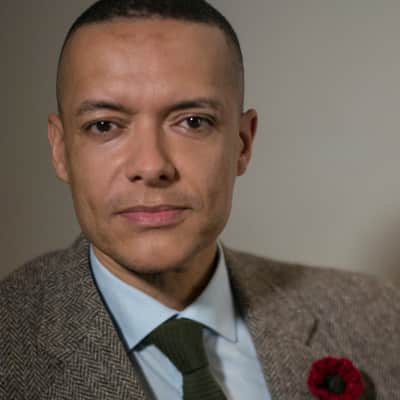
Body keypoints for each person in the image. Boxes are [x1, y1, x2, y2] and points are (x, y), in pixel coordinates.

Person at [1, 1, 399, 399]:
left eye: (193, 122)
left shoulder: (374, 315)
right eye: (104, 125)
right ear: (61, 150)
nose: (151, 166)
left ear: (242, 143)